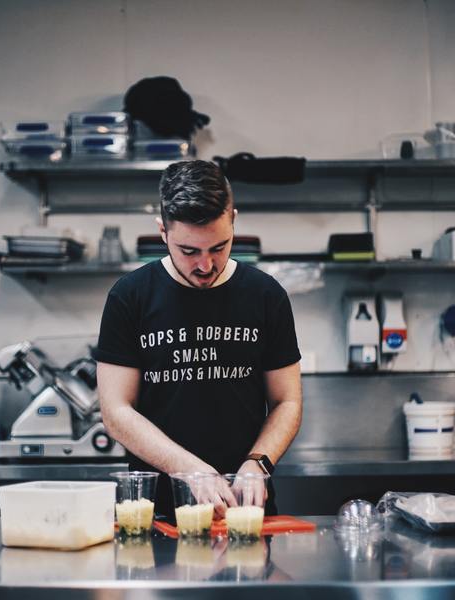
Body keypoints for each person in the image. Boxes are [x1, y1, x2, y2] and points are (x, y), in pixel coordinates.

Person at [93, 159, 302, 519]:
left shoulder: (266, 295)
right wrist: (189, 470)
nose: (206, 265)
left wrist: (258, 463)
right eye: (189, 251)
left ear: (233, 219)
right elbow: (115, 411)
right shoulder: (130, 296)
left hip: (244, 512)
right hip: (155, 514)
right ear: (163, 231)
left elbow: (287, 401)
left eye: (219, 247)